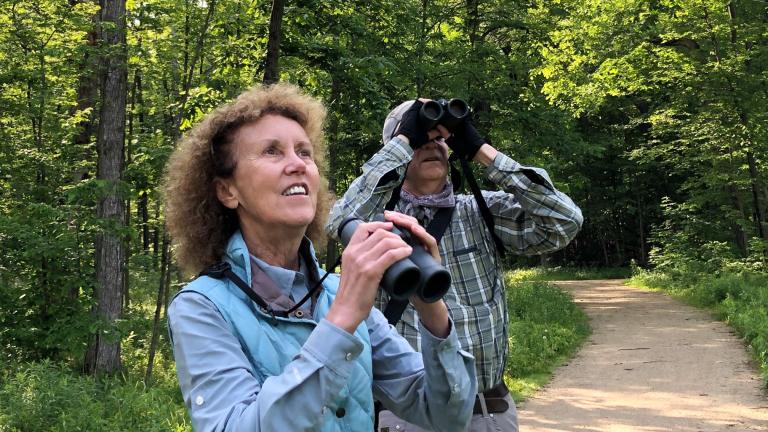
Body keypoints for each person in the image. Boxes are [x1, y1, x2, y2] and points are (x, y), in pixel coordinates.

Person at [163, 84, 477, 432]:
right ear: (227, 191)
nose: (297, 164)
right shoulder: (201, 307)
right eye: (272, 152)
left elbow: (448, 415)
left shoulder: (337, 294)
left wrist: (431, 307)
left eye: (305, 153)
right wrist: (341, 321)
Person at [326, 99, 584, 431]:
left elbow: (564, 221)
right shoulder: (377, 226)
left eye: (441, 139)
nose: (433, 145)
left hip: (488, 408)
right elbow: (338, 221)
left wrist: (481, 150)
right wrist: (404, 140)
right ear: (400, 149)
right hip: (410, 414)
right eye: (421, 138)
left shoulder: (480, 211)